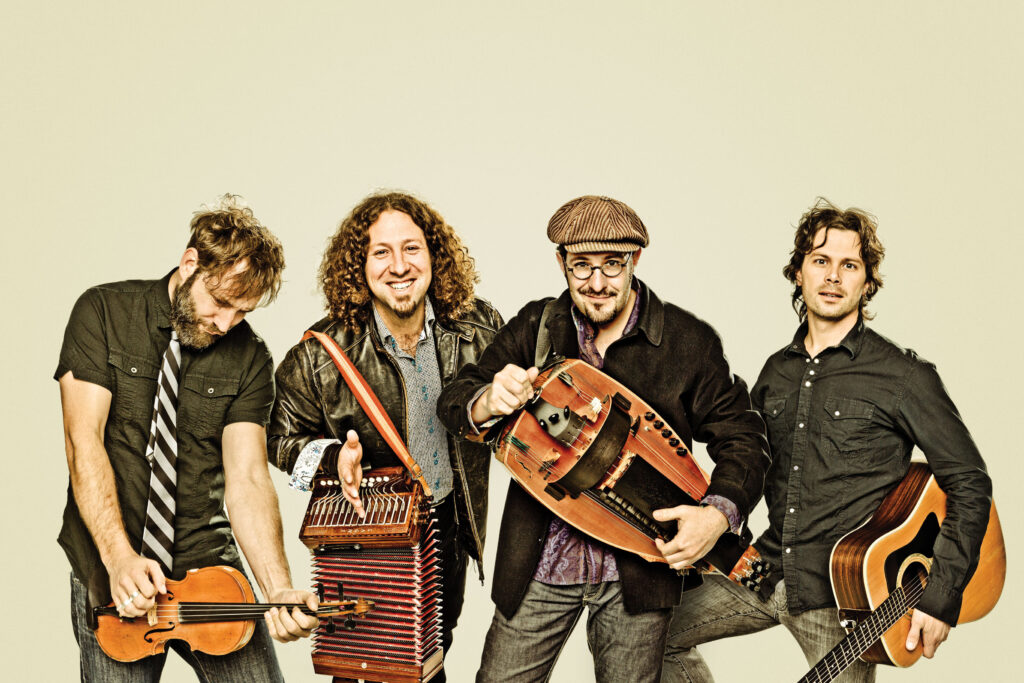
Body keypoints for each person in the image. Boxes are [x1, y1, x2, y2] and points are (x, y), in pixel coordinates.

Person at [435, 195, 770, 683]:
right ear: (560, 263)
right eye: (581, 265)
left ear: (635, 260)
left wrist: (717, 514)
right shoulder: (537, 326)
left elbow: (743, 435)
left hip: (637, 573)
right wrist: (488, 399)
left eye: (613, 265)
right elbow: (454, 400)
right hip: (539, 564)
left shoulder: (687, 340)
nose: (596, 282)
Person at [661, 198, 993, 682]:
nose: (833, 276)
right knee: (651, 633)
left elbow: (970, 483)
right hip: (768, 572)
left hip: (844, 597)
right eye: (820, 261)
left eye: (849, 264)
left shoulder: (904, 375)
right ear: (799, 273)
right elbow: (750, 466)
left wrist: (942, 597)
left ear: (867, 281)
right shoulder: (776, 372)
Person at [56, 195, 318, 682]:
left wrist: (278, 588)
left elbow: (248, 478)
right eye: (220, 302)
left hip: (208, 570)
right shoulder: (103, 312)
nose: (226, 324)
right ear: (190, 262)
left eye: (242, 312)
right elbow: (82, 442)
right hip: (112, 559)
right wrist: (118, 559)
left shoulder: (250, 358)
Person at [267, 191, 502, 681]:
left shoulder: (480, 328)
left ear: (434, 256)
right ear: (360, 266)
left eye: (412, 249)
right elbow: (281, 441)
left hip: (447, 527)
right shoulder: (319, 355)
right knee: (365, 666)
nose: (400, 266)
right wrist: (333, 459)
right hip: (368, 537)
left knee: (429, 657)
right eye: (382, 252)